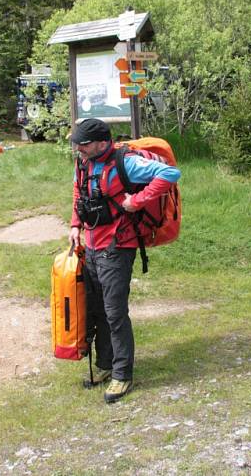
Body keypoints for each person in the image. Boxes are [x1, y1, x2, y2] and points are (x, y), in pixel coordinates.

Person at [68, 118, 180, 403]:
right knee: (97, 310)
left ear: (102, 142)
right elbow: (78, 193)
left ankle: (122, 375)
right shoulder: (84, 162)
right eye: (77, 144)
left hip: (118, 247)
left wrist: (138, 200)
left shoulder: (126, 162)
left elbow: (170, 173)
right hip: (92, 246)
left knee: (115, 313)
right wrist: (74, 226)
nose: (79, 149)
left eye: (84, 144)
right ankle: (106, 365)